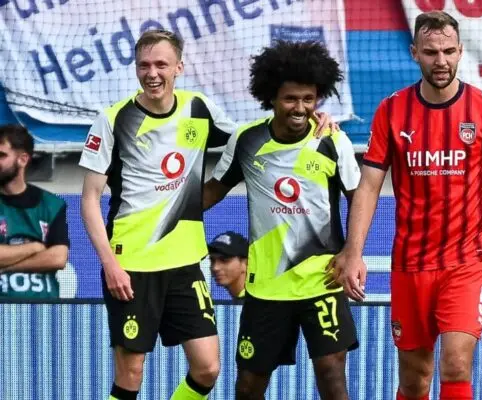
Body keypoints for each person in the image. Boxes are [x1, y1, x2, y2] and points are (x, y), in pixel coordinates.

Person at [79, 29, 335, 400]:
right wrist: (109, 264)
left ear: (179, 67)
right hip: (131, 264)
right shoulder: (114, 119)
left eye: (162, 64)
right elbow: (89, 200)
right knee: (131, 372)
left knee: (208, 368)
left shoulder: (198, 108)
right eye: (144, 65)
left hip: (185, 263)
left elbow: (254, 137)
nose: (153, 73)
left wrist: (311, 119)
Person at [329, 11, 482, 400]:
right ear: (415, 53)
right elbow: (369, 186)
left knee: (456, 363)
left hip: (468, 261)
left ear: (460, 51)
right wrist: (354, 251)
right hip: (411, 264)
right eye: (430, 52)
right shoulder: (392, 111)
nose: (440, 61)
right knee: (415, 378)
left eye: (448, 51)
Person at [203, 40, 360, 400]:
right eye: (290, 99)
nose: (300, 108)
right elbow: (212, 191)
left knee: (331, 373)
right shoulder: (247, 140)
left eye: (308, 99)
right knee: (249, 385)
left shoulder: (333, 141)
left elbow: (360, 200)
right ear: (271, 97)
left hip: (321, 281)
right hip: (267, 288)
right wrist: (163, 208)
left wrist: (352, 252)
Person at [0, 124, 69, 299]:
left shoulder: (52, 205)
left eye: (2, 155)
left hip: (42, 309)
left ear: (22, 159)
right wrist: (34, 247)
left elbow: (58, 258)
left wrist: (8, 266)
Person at [208, 231, 248, 299]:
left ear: (245, 264)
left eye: (224, 260)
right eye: (212, 260)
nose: (215, 268)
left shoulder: (254, 302)